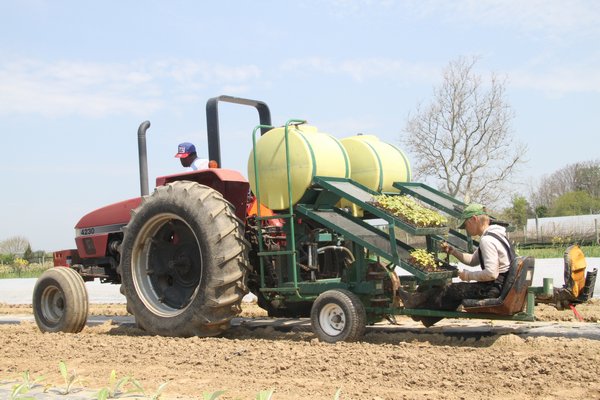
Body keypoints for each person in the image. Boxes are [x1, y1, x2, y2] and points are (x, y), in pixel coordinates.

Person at [398, 203, 515, 311]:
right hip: (500, 286)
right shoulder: (497, 235)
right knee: (454, 291)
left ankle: (416, 305)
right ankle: (420, 311)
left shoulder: (487, 240)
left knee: (451, 290)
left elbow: (491, 274)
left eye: (465, 225)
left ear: (474, 219)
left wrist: (467, 275)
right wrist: (453, 252)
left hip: (493, 289)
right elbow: (473, 260)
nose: (466, 229)